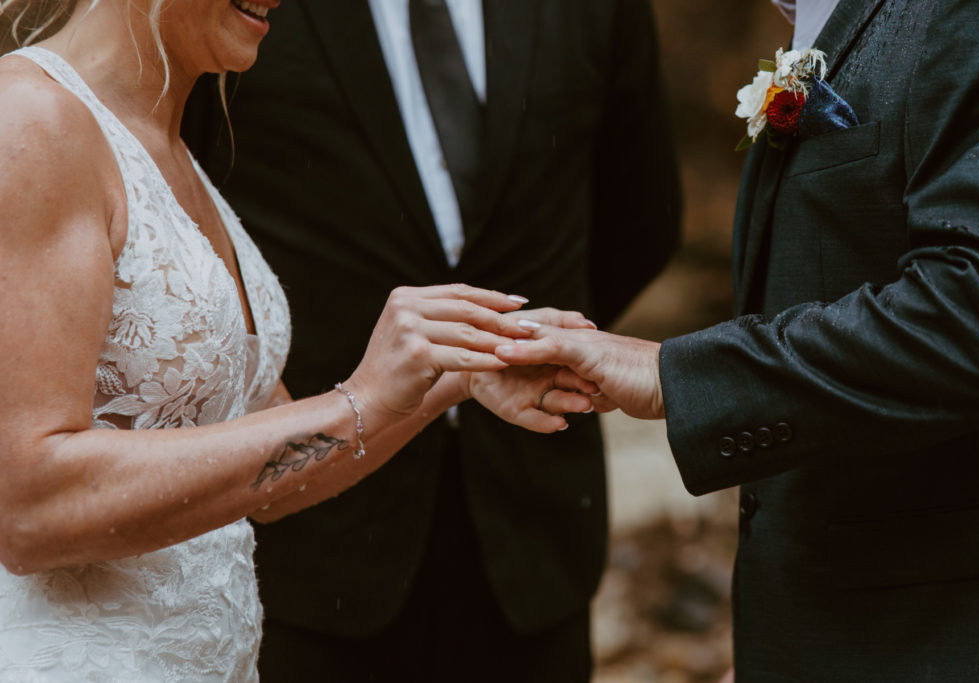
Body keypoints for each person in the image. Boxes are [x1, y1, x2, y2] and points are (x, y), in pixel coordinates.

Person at [0, 1, 599, 680]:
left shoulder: (168, 149)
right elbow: (29, 505)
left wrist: (447, 376)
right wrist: (358, 400)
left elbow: (272, 475)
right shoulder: (31, 120)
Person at [497, 0, 979, 680]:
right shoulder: (833, 21)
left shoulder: (972, 11)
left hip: (935, 637)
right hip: (820, 622)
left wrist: (677, 377)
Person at [182, 1, 680, 680]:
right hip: (305, 542)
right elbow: (182, 206)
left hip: (533, 520)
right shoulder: (235, 11)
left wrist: (518, 346)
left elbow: (641, 212)